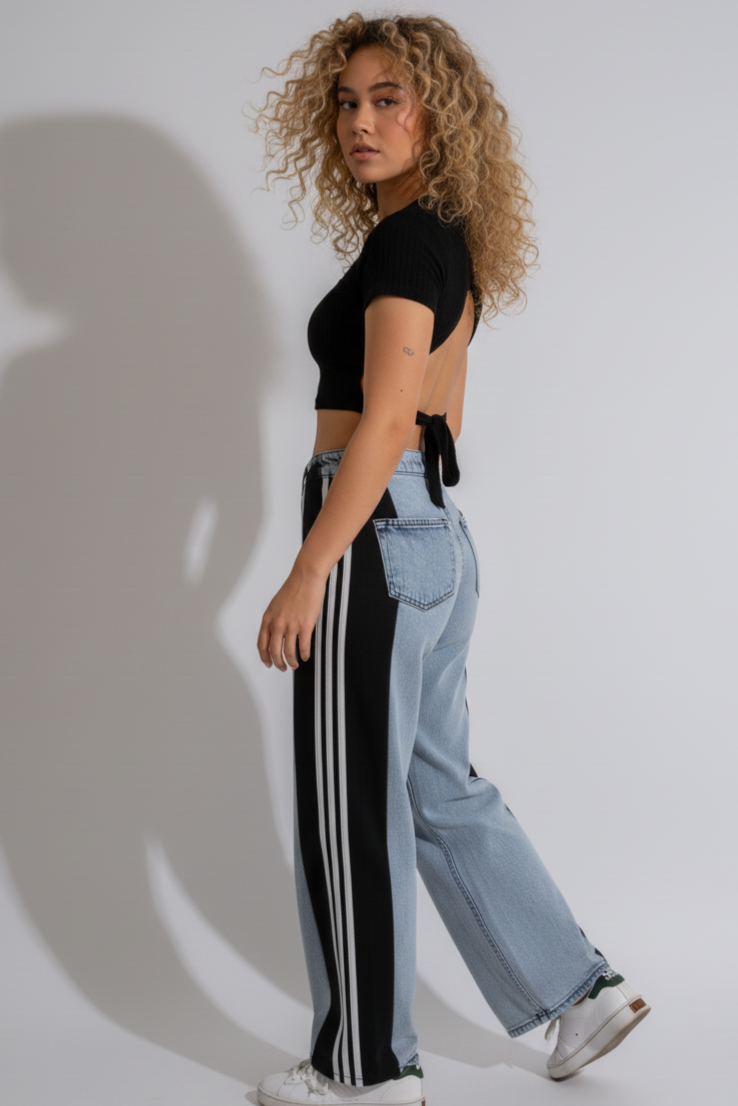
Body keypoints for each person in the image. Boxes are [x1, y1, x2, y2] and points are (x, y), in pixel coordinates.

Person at [251, 13, 649, 1105]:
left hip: (373, 529)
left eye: (390, 98)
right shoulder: (440, 243)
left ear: (440, 114)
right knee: (434, 784)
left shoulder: (403, 245)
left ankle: (368, 1067)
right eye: (347, 101)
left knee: (352, 798)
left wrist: (308, 570)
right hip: (434, 538)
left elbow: (383, 425)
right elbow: (425, 425)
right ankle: (580, 992)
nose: (362, 121)